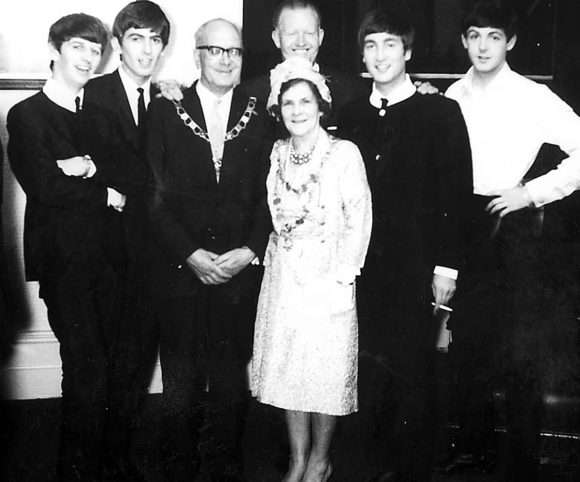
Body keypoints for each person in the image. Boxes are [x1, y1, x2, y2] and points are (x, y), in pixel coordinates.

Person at [445, 1, 580, 480]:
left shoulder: (531, 96)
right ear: (463, 40)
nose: (483, 45)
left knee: (520, 352)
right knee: (468, 345)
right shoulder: (451, 95)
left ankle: (521, 463)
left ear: (511, 42)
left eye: (494, 36)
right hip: (465, 226)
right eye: (475, 35)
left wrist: (531, 192)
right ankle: (474, 452)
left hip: (514, 228)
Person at [338, 5, 473, 481]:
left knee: (414, 375)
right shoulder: (351, 115)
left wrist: (447, 268)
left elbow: (456, 197)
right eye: (371, 45)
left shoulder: (440, 112)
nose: (380, 55)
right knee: (367, 372)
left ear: (408, 51)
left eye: (390, 44)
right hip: (361, 269)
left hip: (415, 269)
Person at [7, 13, 143, 482]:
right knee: (86, 371)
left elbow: (133, 177)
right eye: (78, 48)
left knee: (113, 371)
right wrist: (101, 187)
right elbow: (46, 187)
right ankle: (76, 471)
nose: (89, 58)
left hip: (111, 260)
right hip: (65, 264)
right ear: (54, 49)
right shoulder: (26, 116)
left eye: (95, 50)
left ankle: (109, 466)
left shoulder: (102, 117)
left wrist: (85, 169)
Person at [146, 18, 273, 481]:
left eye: (234, 52)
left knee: (228, 384)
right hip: (182, 272)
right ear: (196, 55)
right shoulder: (165, 111)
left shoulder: (261, 112)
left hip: (238, 272)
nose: (225, 59)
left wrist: (250, 250)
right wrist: (190, 254)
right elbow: (152, 197)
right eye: (215, 50)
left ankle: (224, 470)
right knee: (180, 387)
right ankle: (178, 469)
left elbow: (269, 194)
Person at [251, 57, 372, 482]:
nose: (297, 110)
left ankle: (320, 460)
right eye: (288, 103)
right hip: (285, 277)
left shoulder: (344, 154)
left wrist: (345, 273)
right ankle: (297, 459)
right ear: (277, 110)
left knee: (324, 373)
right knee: (289, 372)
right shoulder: (277, 152)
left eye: (306, 101)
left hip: (329, 277)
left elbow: (359, 216)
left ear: (322, 106)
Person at [84, 2, 170, 479]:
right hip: (105, 254)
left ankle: (118, 458)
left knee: (137, 361)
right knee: (106, 365)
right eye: (137, 38)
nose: (147, 49)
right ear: (118, 44)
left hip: (149, 254)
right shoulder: (94, 94)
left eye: (155, 40)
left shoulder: (162, 98)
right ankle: (101, 461)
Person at [241, 0, 366, 130]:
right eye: (291, 34)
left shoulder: (351, 91)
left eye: (309, 33)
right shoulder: (250, 94)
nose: (301, 42)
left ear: (320, 37)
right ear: (277, 38)